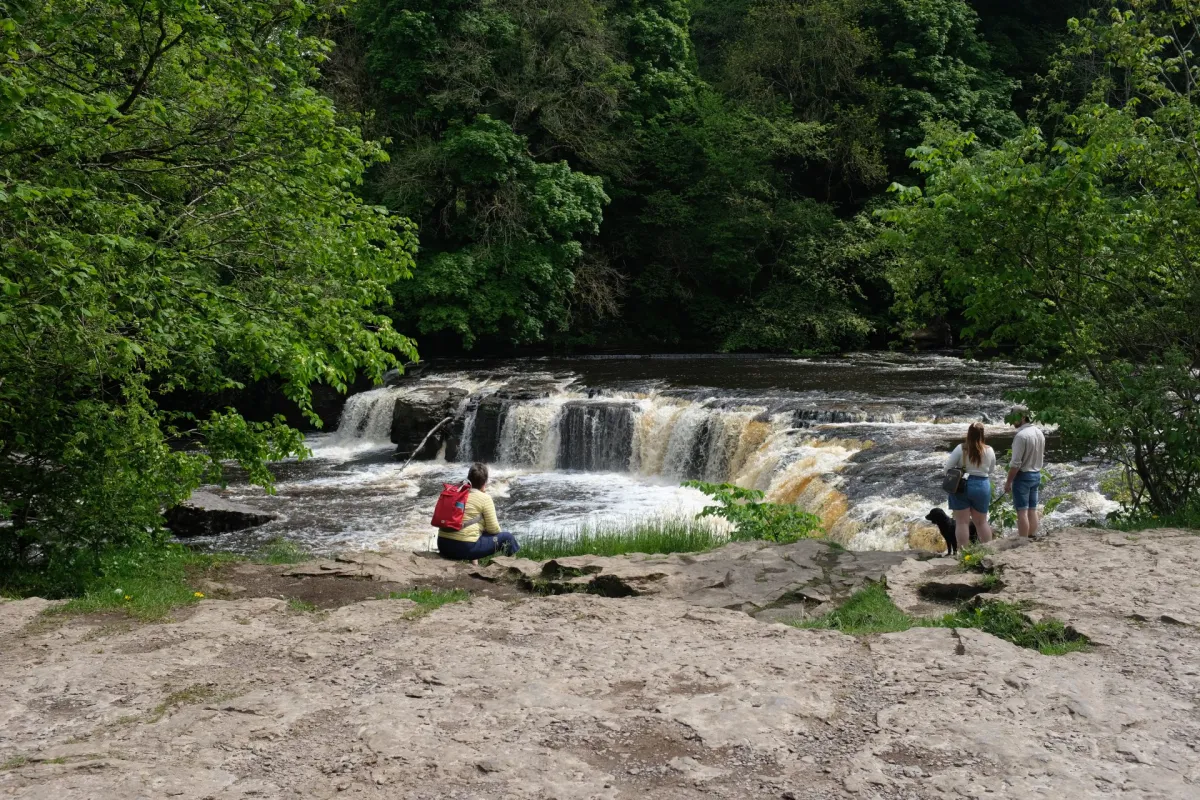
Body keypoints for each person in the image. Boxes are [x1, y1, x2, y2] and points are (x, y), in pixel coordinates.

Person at [436, 462, 520, 561]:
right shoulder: (485, 498)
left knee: (473, 530)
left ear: (468, 478)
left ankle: (474, 564)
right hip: (464, 548)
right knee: (507, 538)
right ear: (485, 482)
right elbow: (494, 530)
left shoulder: (456, 493)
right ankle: (513, 567)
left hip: (443, 545)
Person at [945, 421, 995, 550]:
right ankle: (987, 551)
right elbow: (990, 470)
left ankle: (964, 554)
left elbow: (948, 468)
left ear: (968, 433)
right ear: (982, 434)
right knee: (982, 522)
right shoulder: (989, 450)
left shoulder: (961, 448)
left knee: (962, 522)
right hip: (982, 485)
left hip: (962, 485)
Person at [1004, 407, 1046, 538]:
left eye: (1014, 417)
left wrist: (1008, 482)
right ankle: (1032, 536)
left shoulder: (1021, 436)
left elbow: (1016, 463)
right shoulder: (1039, 432)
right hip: (1036, 474)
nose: (1012, 421)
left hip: (1023, 476)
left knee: (1022, 511)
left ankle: (1022, 540)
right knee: (1032, 509)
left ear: (1022, 417)